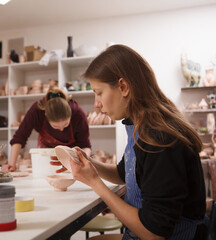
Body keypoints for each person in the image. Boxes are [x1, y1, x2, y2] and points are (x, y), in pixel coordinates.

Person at [70, 45, 207, 239]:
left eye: (99, 93)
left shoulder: (159, 139)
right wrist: (88, 162)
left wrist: (94, 183)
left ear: (123, 87)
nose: (96, 104)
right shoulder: (140, 125)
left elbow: (154, 233)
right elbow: (122, 174)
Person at [2, 88, 91, 172]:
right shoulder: (36, 111)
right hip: (46, 151)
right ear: (46, 115)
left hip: (70, 154)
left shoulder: (78, 115)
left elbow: (85, 145)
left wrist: (82, 163)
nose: (61, 129)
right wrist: (11, 164)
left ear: (71, 114)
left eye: (66, 124)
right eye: (55, 126)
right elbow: (20, 137)